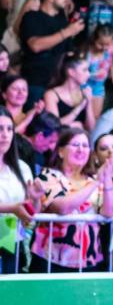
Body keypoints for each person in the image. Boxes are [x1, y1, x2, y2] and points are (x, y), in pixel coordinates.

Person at [29, 128, 113, 272]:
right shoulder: (49, 176)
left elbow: (111, 212)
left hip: (89, 261)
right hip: (51, 260)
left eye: (85, 146)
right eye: (75, 145)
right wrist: (97, 182)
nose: (81, 149)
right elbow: (63, 207)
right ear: (60, 152)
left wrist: (106, 178)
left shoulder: (92, 180)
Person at [20, 0, 83, 105]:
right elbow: (35, 45)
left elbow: (68, 52)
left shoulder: (63, 21)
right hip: (36, 83)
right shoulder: (32, 17)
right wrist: (66, 33)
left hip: (58, 85)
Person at [0, 107, 42, 273]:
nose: (5, 134)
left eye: (9, 129)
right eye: (0, 129)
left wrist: (36, 199)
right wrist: (12, 208)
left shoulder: (22, 168)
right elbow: (16, 208)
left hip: (11, 239)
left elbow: (32, 215)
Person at [42, 53, 95, 130]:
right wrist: (80, 107)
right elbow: (53, 126)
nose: (88, 74)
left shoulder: (84, 93)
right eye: (84, 70)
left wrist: (89, 102)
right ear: (71, 72)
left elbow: (91, 128)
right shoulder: (51, 94)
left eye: (88, 70)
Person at [82, 24, 113, 120]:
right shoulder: (86, 52)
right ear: (94, 39)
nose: (104, 48)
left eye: (107, 44)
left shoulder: (110, 49)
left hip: (99, 86)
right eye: (100, 44)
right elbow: (79, 71)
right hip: (84, 85)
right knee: (82, 114)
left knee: (95, 116)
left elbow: (110, 61)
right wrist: (93, 74)